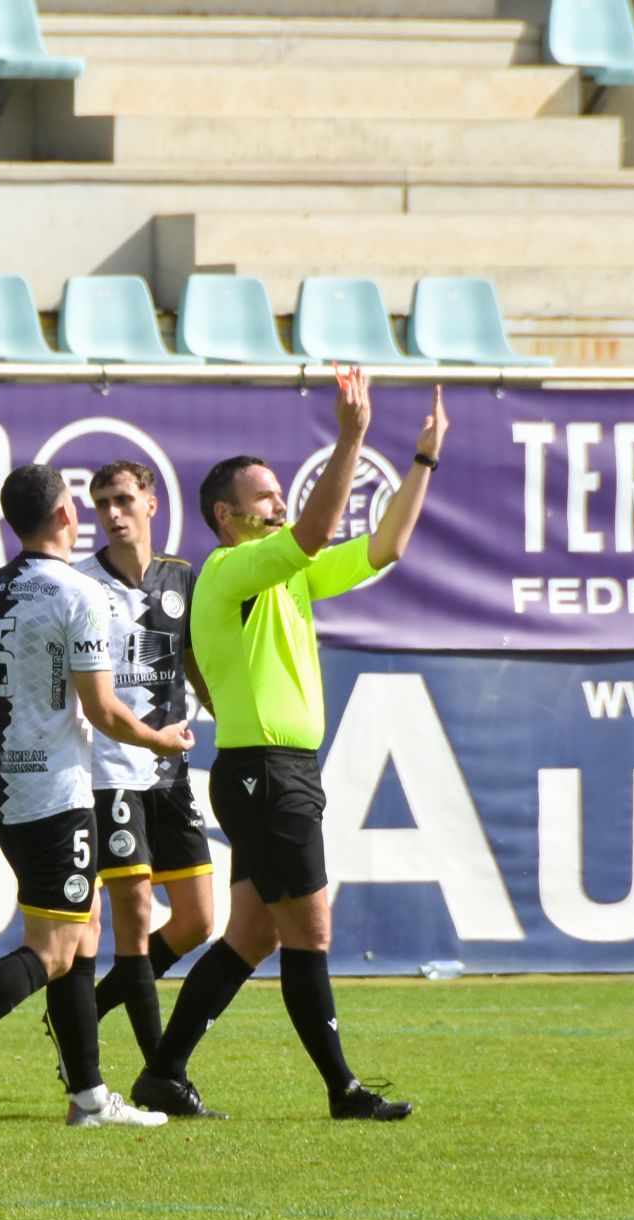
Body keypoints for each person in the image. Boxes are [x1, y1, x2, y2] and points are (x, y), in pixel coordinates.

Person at [132, 372, 446, 1123]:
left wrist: (424, 461)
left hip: (275, 773)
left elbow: (387, 545)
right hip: (265, 774)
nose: (279, 503)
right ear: (226, 516)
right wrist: (350, 435)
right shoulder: (231, 570)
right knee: (311, 930)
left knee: (252, 935)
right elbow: (310, 532)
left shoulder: (286, 574)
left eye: (280, 492)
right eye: (265, 494)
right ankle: (343, 1091)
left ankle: (163, 1072)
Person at [0, 464, 193, 1130]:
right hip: (56, 792)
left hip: (5, 786)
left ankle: (88, 1099)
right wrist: (160, 740)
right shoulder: (80, 594)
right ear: (64, 516)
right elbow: (105, 710)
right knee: (53, 948)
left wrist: (0, 737)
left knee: (82, 938)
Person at [70, 461, 215, 1076]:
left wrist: (225, 720)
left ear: (152, 504)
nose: (112, 512)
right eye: (101, 502)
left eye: (123, 499)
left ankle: (88, 1010)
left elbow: (193, 663)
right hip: (110, 771)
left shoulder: (182, 577)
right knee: (131, 923)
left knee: (199, 920)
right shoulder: (80, 584)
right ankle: (162, 1073)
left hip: (169, 771)